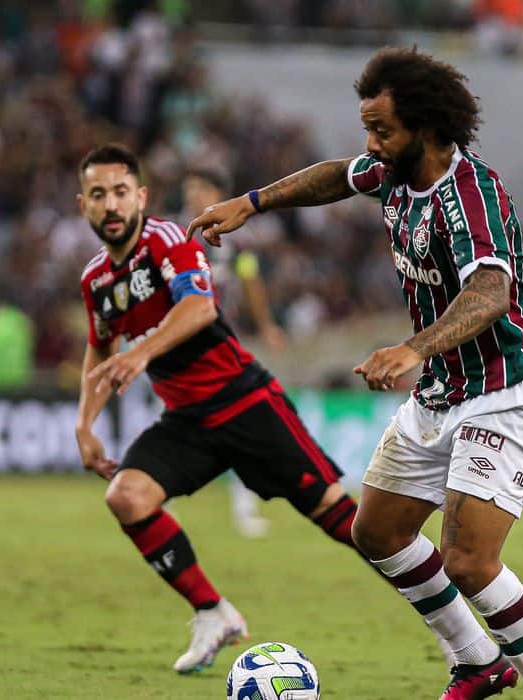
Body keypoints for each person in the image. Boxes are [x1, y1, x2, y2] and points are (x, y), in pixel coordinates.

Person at [189, 47, 523, 700]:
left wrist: (417, 347)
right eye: (368, 127)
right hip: (441, 392)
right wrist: (253, 202)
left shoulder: (470, 193)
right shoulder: (392, 171)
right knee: (377, 531)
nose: (371, 143)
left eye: (382, 130)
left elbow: (490, 293)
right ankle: (477, 662)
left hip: (507, 391)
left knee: (470, 560)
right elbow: (338, 176)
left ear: (426, 128)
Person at [73, 144, 369, 674]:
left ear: (139, 196)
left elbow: (199, 307)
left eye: (120, 192)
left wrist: (140, 352)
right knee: (128, 497)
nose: (111, 205)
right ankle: (213, 612)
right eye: (98, 195)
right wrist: (85, 423)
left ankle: (442, 606)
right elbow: (100, 346)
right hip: (187, 420)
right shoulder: (96, 280)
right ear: (84, 206)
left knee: (346, 522)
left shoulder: (169, 240)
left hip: (243, 401)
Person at [182, 166, 288, 539]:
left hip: (223, 342)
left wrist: (266, 326)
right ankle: (152, 495)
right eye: (190, 188)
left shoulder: (238, 241)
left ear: (218, 193)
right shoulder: (178, 238)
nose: (194, 195)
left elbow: (250, 282)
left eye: (201, 187)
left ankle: (244, 508)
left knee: (241, 419)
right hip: (181, 345)